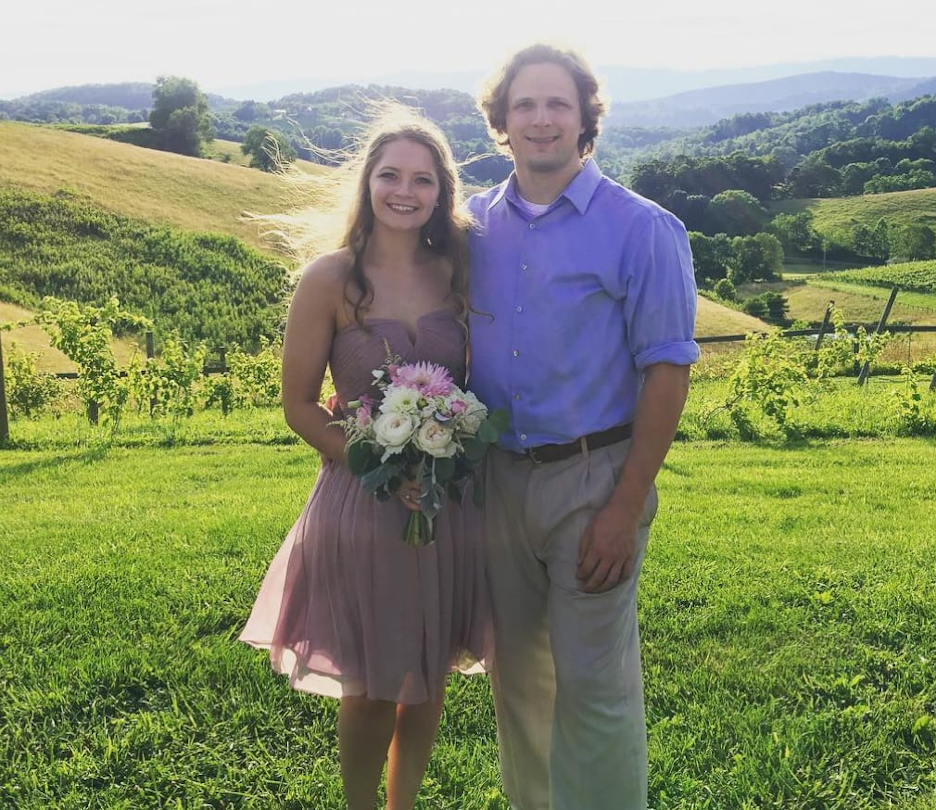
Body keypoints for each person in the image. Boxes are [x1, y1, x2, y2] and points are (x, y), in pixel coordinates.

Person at [466, 44, 700, 810]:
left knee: (596, 687)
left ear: (584, 118)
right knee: (520, 683)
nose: (541, 119)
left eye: (557, 104)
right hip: (499, 481)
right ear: (501, 121)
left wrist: (625, 508)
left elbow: (667, 371)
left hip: (596, 480)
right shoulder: (470, 225)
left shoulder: (643, 229)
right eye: (525, 104)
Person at [239, 107, 493, 810]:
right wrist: (373, 463)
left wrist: (443, 455)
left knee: (428, 673)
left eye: (422, 179)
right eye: (390, 176)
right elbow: (297, 404)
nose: (404, 191)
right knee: (376, 683)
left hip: (447, 505)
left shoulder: (458, 274)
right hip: (363, 504)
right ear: (367, 183)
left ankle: (402, 804)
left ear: (442, 192)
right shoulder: (330, 279)